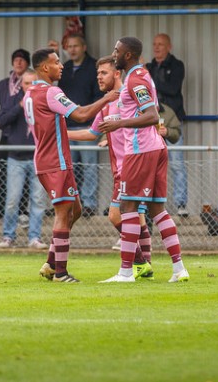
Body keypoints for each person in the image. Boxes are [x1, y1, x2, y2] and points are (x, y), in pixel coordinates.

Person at [98, 36, 189, 283]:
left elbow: (150, 115)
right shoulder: (142, 76)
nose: (114, 54)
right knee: (157, 209)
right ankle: (179, 269)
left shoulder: (135, 78)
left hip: (141, 150)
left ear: (128, 55)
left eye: (117, 51)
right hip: (156, 148)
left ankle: (126, 272)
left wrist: (119, 122)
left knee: (127, 207)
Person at [25, 48, 118, 283]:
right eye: (57, 62)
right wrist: (107, 98)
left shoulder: (30, 93)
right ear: (45, 68)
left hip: (50, 159)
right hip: (54, 161)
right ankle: (61, 273)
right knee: (64, 212)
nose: (61, 66)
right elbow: (80, 114)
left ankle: (50, 263)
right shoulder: (51, 92)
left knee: (74, 210)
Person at [68, 56, 153, 279]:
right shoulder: (106, 104)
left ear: (117, 74)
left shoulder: (130, 95)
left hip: (132, 166)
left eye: (103, 73)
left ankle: (139, 263)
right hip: (122, 169)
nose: (99, 77)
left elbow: (151, 119)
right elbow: (91, 133)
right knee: (139, 217)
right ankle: (146, 267)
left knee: (116, 216)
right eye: (97, 74)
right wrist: (62, 133)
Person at [0, 69, 47, 249]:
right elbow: (1, 121)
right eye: (26, 83)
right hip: (16, 157)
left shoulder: (43, 99)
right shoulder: (12, 99)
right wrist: (20, 105)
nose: (30, 87)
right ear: (21, 84)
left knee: (38, 200)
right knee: (12, 200)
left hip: (37, 157)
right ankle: (8, 236)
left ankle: (34, 237)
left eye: (33, 83)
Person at [57, 34, 104, 216]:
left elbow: (99, 95)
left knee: (89, 166)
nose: (72, 49)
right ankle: (71, 202)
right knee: (70, 167)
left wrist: (92, 119)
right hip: (67, 126)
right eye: (69, 46)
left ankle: (89, 203)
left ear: (84, 47)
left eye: (76, 46)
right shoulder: (65, 68)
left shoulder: (93, 67)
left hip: (86, 126)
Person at [0, 48, 31, 227]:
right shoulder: (4, 85)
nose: (18, 62)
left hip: (25, 137)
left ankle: (21, 211)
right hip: (6, 137)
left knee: (25, 174)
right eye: (16, 60)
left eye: (22, 60)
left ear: (27, 64)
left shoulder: (31, 84)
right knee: (2, 173)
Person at [146, 33, 189, 217]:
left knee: (177, 164)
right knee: (149, 165)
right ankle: (150, 204)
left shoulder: (177, 66)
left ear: (169, 46)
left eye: (160, 44)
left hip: (171, 122)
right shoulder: (148, 67)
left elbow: (172, 89)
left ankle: (180, 205)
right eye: (154, 44)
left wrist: (150, 80)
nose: (156, 47)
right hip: (150, 120)